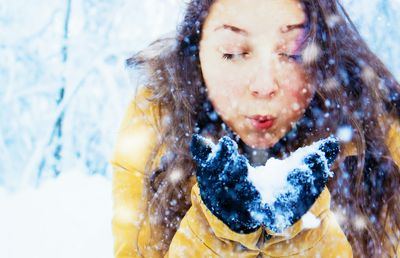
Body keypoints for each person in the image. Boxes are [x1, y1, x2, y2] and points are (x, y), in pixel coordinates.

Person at [110, 0, 400, 257]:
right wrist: (216, 238)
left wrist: (304, 240)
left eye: (292, 53)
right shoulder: (158, 130)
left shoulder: (381, 142)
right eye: (233, 53)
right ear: (197, 50)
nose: (264, 86)